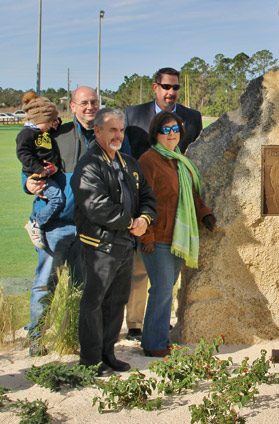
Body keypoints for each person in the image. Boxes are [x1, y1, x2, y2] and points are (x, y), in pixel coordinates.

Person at [72, 108, 156, 375]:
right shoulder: (88, 165)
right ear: (97, 131)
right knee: (94, 303)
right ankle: (90, 360)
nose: (118, 135)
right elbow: (96, 206)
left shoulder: (129, 163)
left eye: (121, 130)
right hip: (99, 246)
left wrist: (145, 218)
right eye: (112, 130)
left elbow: (148, 197)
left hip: (124, 246)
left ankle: (109, 353)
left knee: (117, 302)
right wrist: (131, 223)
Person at [122, 67, 203, 342]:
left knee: (166, 280)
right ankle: (135, 324)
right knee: (139, 272)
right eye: (166, 87)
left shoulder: (192, 118)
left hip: (179, 209)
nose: (171, 92)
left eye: (175, 87)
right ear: (155, 87)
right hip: (142, 207)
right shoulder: (133, 115)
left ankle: (159, 327)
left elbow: (190, 160)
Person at [22, 86, 99, 356]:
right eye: (84, 103)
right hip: (55, 225)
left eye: (94, 102)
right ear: (73, 107)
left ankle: (73, 338)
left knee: (82, 285)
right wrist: (28, 184)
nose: (90, 107)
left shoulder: (104, 136)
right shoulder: (55, 135)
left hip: (89, 225)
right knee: (45, 283)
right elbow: (29, 168)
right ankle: (36, 337)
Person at [138, 111, 216, 357]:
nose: (171, 135)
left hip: (177, 237)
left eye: (175, 130)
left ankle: (158, 339)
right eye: (166, 130)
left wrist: (204, 214)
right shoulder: (149, 160)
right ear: (156, 133)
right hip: (158, 238)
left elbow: (190, 194)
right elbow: (142, 200)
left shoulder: (180, 160)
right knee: (161, 289)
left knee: (167, 288)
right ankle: (154, 344)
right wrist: (146, 237)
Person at [17, 92, 64, 249]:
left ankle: (38, 222)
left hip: (46, 172)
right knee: (57, 198)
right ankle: (36, 223)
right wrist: (39, 169)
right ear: (40, 120)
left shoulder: (44, 131)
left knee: (57, 198)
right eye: (50, 121)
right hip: (35, 174)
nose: (52, 124)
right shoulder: (27, 133)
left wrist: (54, 167)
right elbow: (23, 153)